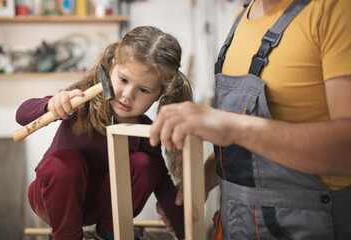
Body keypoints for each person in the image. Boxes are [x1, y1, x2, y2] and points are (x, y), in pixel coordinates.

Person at [150, 0, 351, 239]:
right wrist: (204, 178)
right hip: (235, 226)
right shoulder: (241, 19)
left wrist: (233, 127)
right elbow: (254, 150)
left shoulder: (335, 9)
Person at [16, 26, 193, 240]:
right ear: (110, 68)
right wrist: (51, 105)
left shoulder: (146, 132)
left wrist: (187, 233)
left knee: (146, 165)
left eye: (144, 90)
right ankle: (66, 236)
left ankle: (109, 231)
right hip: (51, 199)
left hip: (101, 207)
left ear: (159, 95)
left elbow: (164, 190)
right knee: (64, 163)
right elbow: (22, 115)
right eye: (124, 80)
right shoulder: (80, 104)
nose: (127, 96)